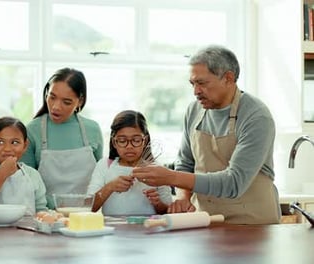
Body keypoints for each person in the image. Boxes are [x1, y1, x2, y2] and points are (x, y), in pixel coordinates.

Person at [132, 45, 281, 224]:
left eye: (202, 83)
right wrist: (182, 197)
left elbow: (234, 183)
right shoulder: (194, 111)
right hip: (204, 220)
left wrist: (171, 177)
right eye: (192, 84)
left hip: (252, 223)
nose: (195, 91)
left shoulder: (256, 116)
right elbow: (185, 162)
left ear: (228, 78)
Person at [20, 68, 103, 209]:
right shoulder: (32, 130)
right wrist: (56, 207)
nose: (56, 107)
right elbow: (26, 182)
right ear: (46, 92)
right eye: (52, 97)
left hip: (86, 215)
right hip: (46, 215)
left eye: (66, 102)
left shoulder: (92, 129)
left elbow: (99, 178)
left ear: (80, 101)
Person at [87, 110, 172, 216]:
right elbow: (89, 207)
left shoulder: (157, 169)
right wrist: (110, 187)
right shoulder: (104, 165)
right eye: (122, 140)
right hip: (113, 230)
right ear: (114, 142)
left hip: (148, 229)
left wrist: (157, 203)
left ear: (144, 141)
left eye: (136, 140)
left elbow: (168, 211)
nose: (129, 146)